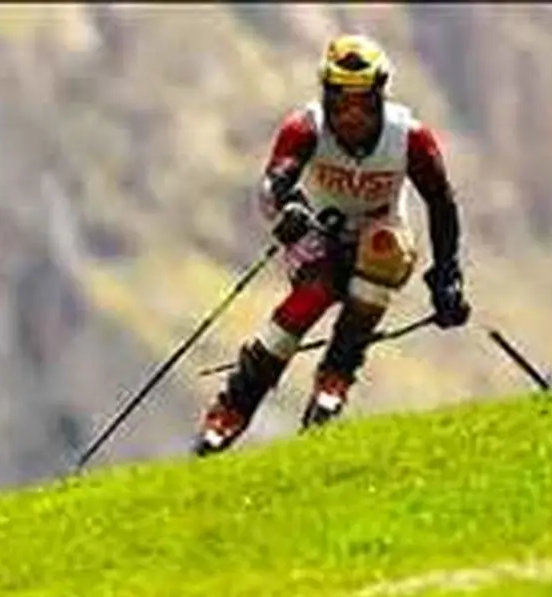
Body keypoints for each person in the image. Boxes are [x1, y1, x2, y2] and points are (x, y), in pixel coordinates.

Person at [192, 33, 472, 457]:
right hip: (318, 237)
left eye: (364, 102)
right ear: (326, 96)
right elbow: (273, 184)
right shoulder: (305, 128)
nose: (352, 115)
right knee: (313, 296)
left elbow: (441, 202)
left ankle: (335, 378)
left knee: (383, 251)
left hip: (380, 233)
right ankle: (234, 405)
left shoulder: (410, 137)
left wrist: (447, 275)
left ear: (381, 96)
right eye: (340, 102)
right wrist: (286, 212)